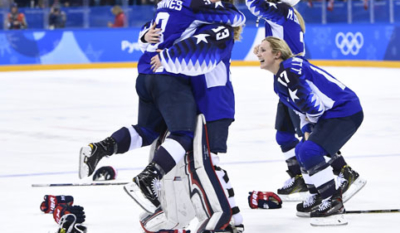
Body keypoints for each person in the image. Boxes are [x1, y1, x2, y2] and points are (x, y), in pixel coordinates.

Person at [79, 0, 245, 231]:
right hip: (194, 99)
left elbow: (200, 54)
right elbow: (157, 27)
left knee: (209, 164)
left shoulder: (218, 31)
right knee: (173, 147)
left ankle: (229, 220)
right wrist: (147, 36)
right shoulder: (196, 22)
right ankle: (212, 216)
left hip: (212, 107)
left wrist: (162, 52)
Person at [246, 0, 363, 211]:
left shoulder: (282, 11)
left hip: (302, 85)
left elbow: (256, 6)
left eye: (263, 50)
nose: (258, 54)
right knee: (289, 137)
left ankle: (334, 176)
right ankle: (307, 179)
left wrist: (310, 128)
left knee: (307, 143)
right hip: (291, 79)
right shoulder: (283, 17)